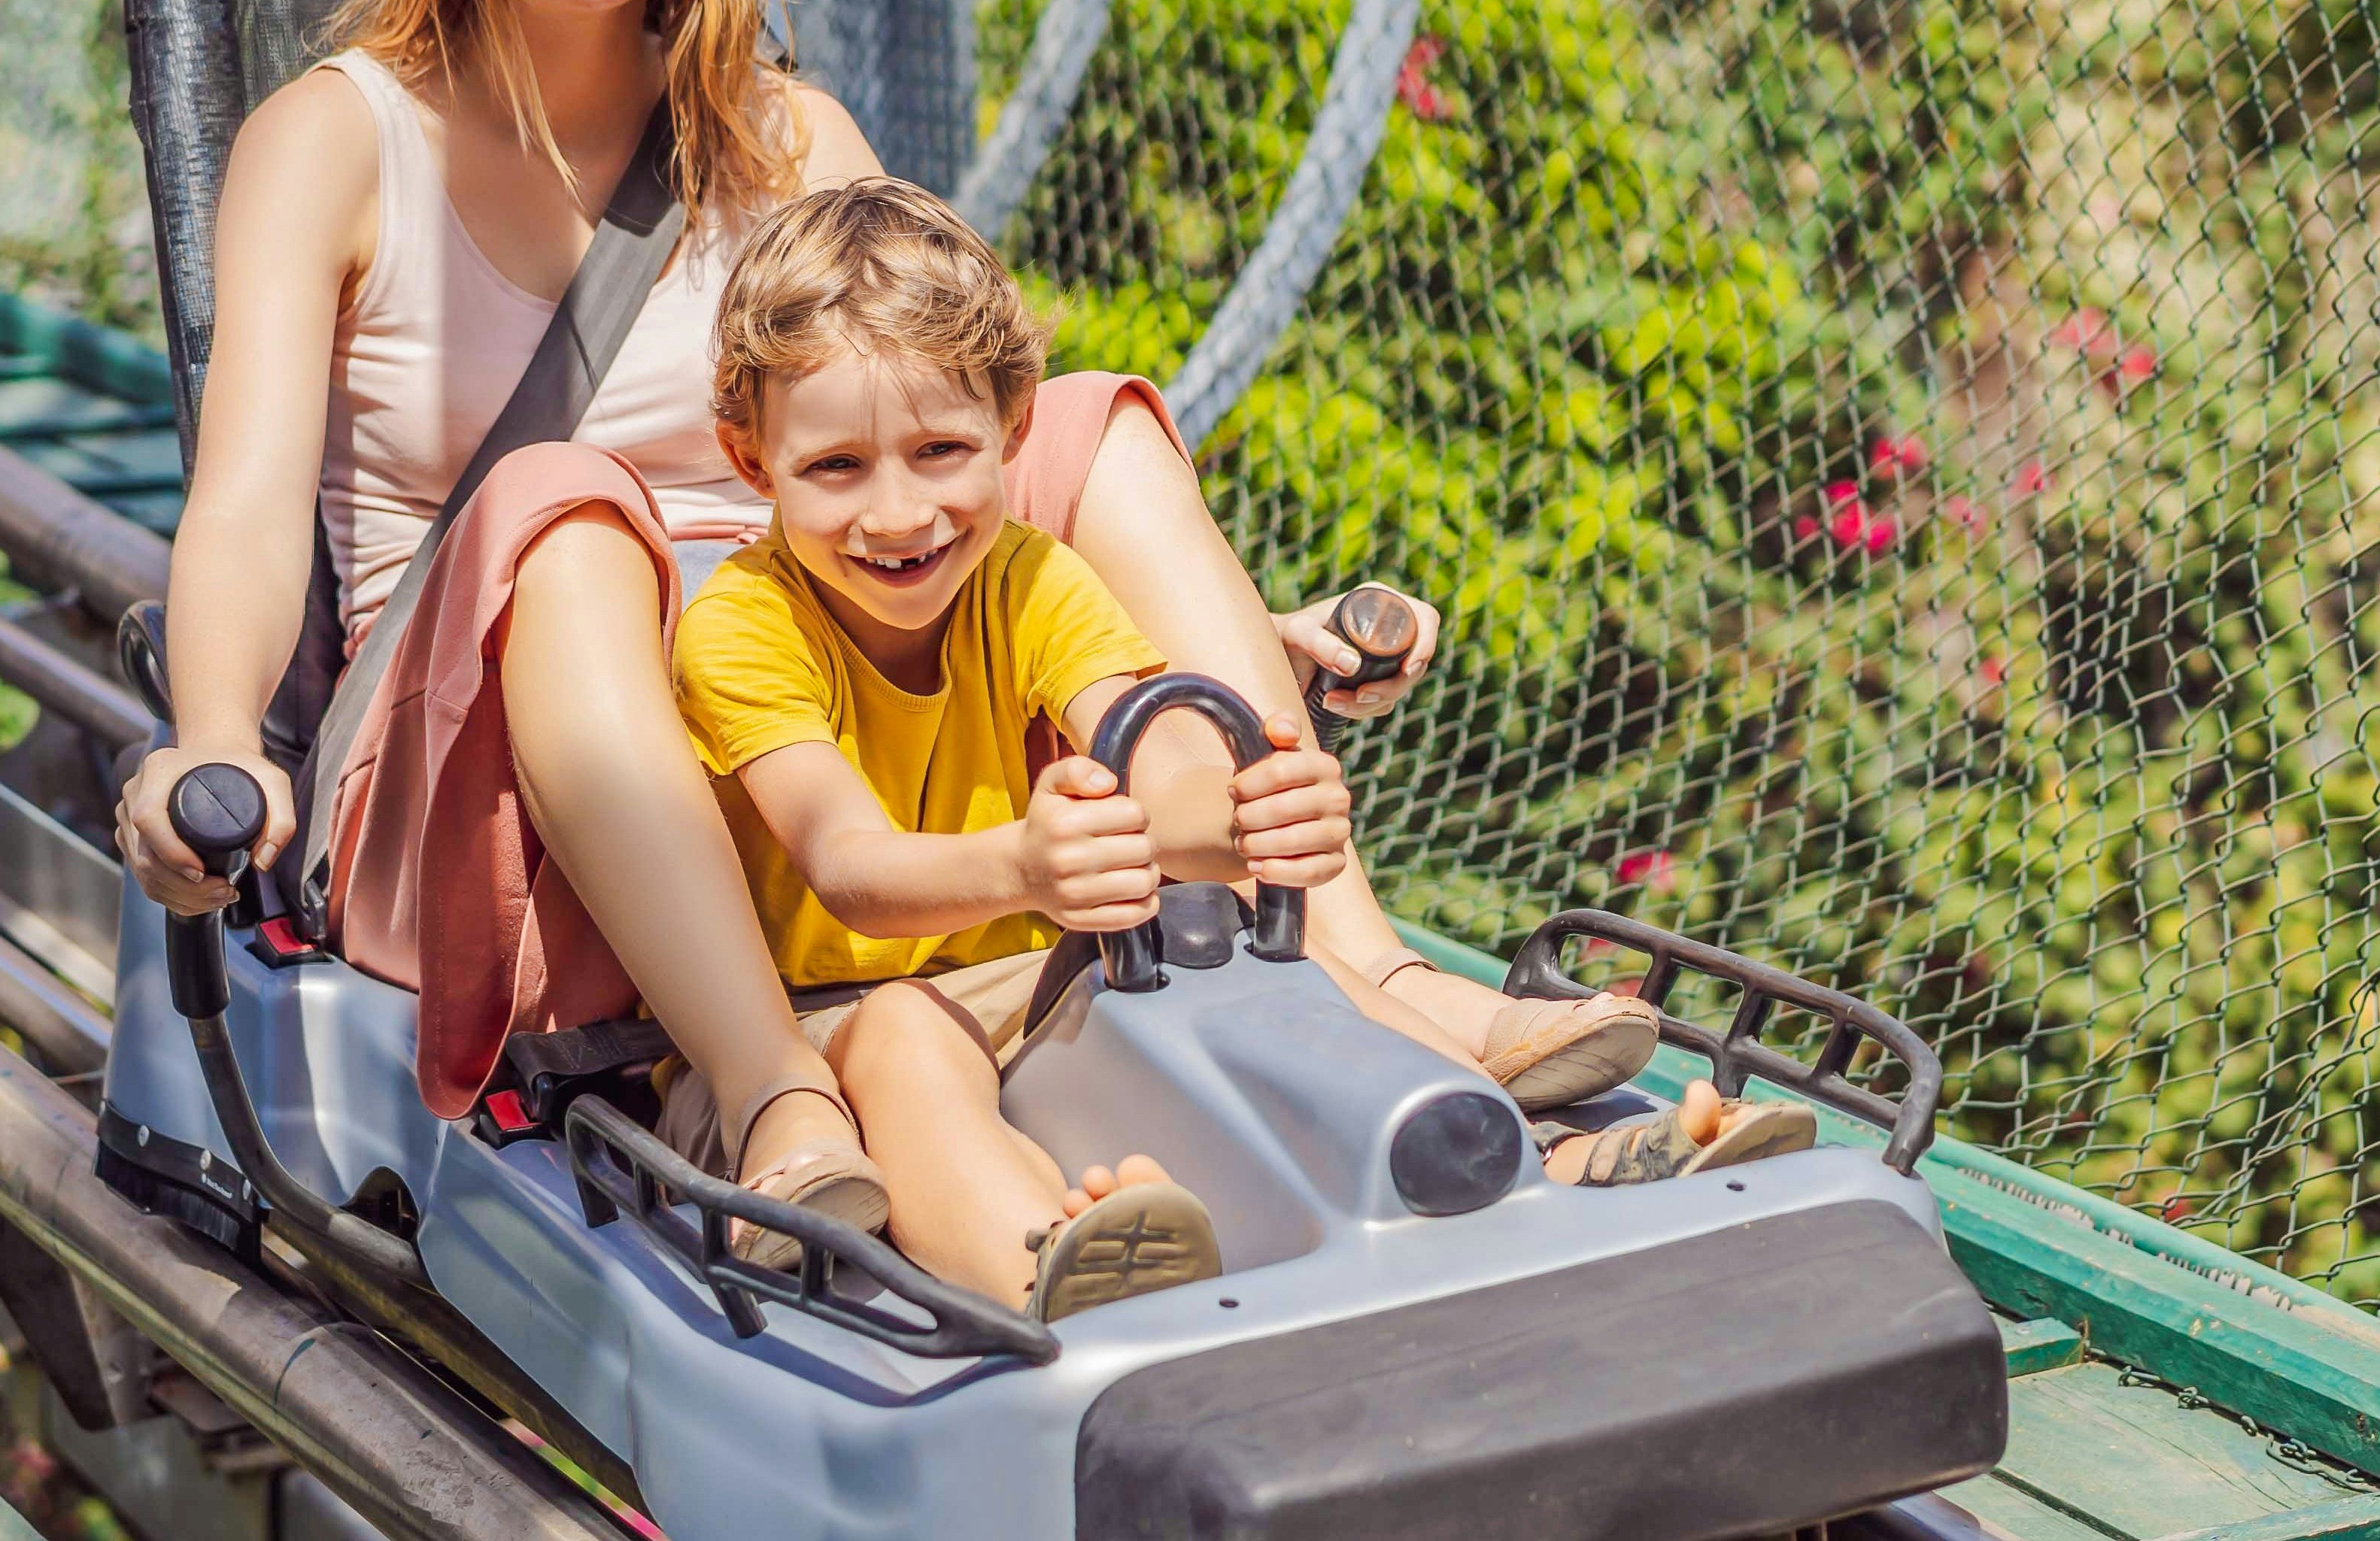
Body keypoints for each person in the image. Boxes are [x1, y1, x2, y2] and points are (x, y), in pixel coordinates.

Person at [111, 0, 1668, 1248]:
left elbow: (952, 453)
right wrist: (213, 735)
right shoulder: (336, 141)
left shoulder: (789, 137)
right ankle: (771, 1084)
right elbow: (249, 500)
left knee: (1084, 421)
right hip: (498, 793)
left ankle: (1361, 965)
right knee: (569, 511)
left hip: (820, 741)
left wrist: (1199, 628)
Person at [667, 179, 1821, 1318]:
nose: (898, 512)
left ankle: (1528, 1156)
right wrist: (1023, 863)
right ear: (753, 459)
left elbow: (1155, 745)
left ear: (1012, 432)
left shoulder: (1028, 579)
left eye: (938, 451)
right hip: (815, 1030)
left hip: (1019, 984)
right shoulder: (745, 624)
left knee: (1244, 942)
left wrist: (1241, 819)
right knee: (910, 1035)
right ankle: (1045, 1265)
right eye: (837, 467)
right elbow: (848, 862)